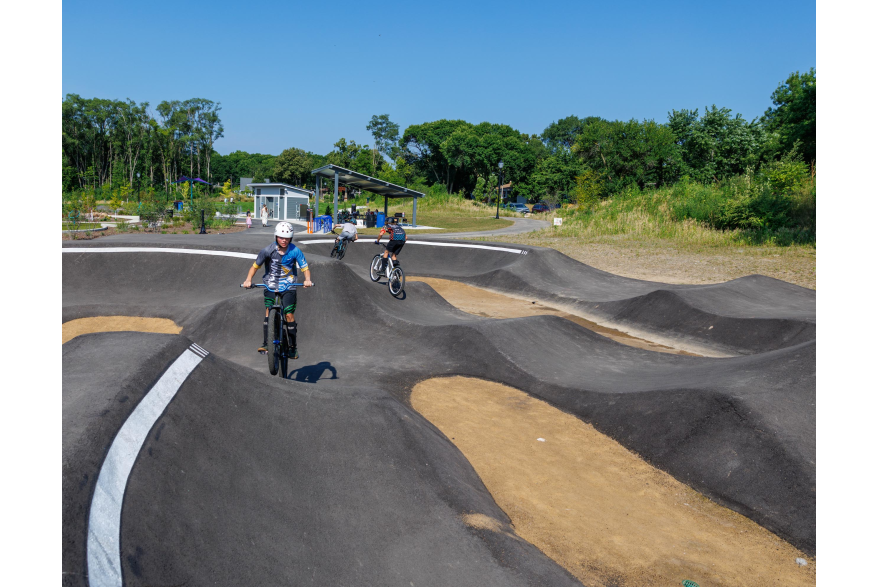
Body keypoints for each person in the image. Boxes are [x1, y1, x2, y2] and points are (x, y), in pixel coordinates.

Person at [242, 222, 313, 359]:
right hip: (271, 284)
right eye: (281, 237)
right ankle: (266, 343)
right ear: (276, 237)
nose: (284, 240)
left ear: (291, 238)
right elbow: (255, 266)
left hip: (288, 286)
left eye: (287, 238)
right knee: (268, 311)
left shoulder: (295, 251)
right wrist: (248, 280)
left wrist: (307, 279)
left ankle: (293, 347)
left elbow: (305, 268)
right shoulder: (267, 250)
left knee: (289, 315)